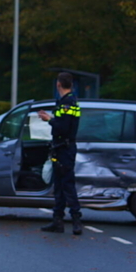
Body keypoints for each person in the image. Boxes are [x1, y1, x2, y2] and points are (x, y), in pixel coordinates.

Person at [39, 72, 83, 235]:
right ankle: (58, 221)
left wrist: (49, 120)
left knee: (67, 185)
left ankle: (76, 221)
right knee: (59, 185)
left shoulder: (67, 103)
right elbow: (65, 122)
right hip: (61, 147)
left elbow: (63, 127)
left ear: (58, 84)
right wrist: (51, 118)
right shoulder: (67, 101)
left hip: (65, 148)